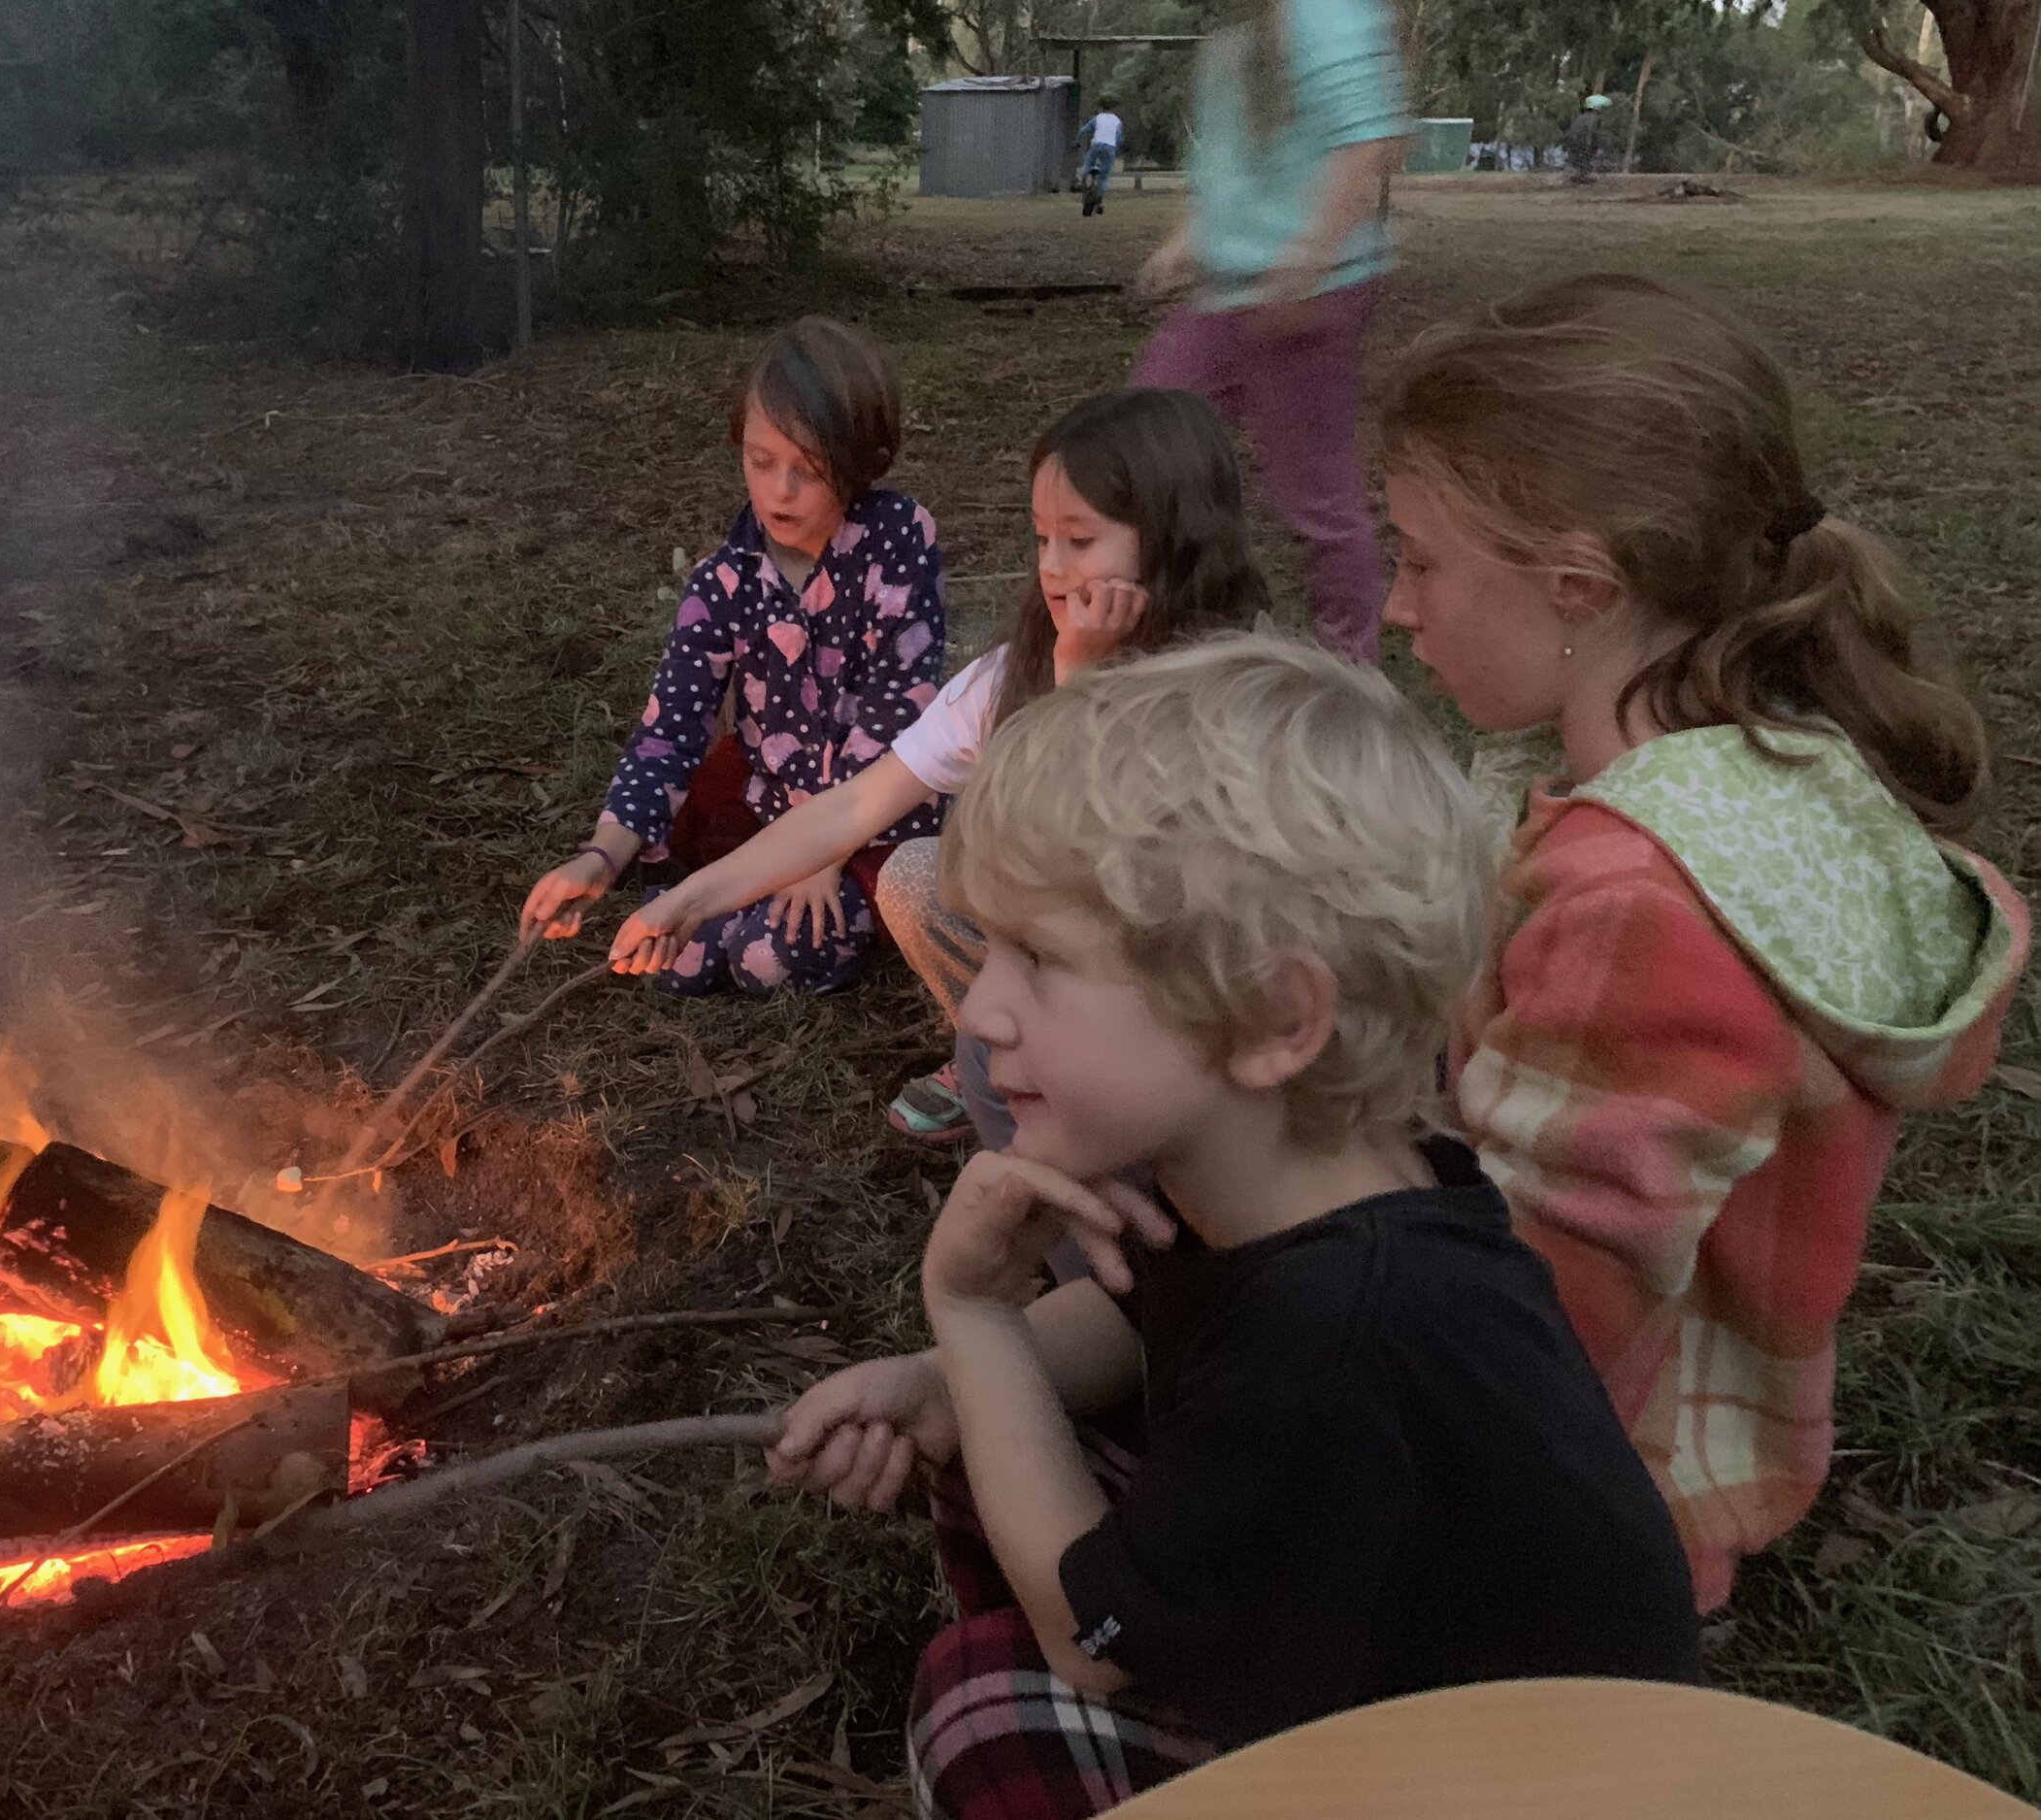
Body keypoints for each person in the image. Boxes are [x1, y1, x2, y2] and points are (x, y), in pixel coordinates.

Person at [768, 637, 1703, 1820]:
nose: (983, 1009)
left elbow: (1089, 1645)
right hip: (1375, 1645)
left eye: (1040, 960)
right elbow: (1136, 1317)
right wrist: (937, 1374)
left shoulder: (1339, 1336)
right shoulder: (1279, 1168)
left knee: (982, 1717)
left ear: (1272, 1015)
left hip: (1516, 1779)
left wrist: (970, 1314)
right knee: (989, 1427)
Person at [1378, 273, 2031, 1612]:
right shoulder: (1782, 780)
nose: (1397, 606)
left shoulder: (1641, 900)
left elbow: (1542, 1311)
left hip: (1563, 1520)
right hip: (1653, 1466)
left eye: (1420, 560)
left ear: (1576, 584)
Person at [606, 389, 1269, 1142]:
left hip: (1184, 980)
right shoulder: (1007, 678)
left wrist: (1081, 685)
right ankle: (1005, 1049)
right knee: (919, 874)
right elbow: (852, 808)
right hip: (1051, 965)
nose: (1051, 569)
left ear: (1172, 540)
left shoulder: (1240, 693)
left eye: (1079, 541)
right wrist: (692, 899)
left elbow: (1113, 870)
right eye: (1042, 538)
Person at [518, 315, 944, 997]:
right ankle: (740, 900)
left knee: (764, 956)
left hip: (875, 819)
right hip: (772, 806)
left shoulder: (897, 540)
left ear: (867, 460)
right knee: (679, 960)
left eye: (808, 469)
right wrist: (600, 857)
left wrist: (823, 851)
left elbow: (897, 709)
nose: (779, 491)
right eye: (760, 459)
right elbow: (670, 730)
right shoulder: (725, 581)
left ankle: (797, 914)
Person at [1133, 0, 1407, 665]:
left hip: (1309, 290)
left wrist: (1308, 260)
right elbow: (1220, 165)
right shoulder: (1231, 38)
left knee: (1316, 496)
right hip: (1226, 292)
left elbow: (1371, 140)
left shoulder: (1327, 14)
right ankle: (1167, 632)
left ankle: (1350, 668)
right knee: (1140, 443)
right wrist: (1185, 240)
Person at [1076, 96, 1125, 215]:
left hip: (1096, 146)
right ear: (1113, 108)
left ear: (1101, 108)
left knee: (1087, 166)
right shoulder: (1117, 121)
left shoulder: (1097, 118)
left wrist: (1077, 141)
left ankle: (1083, 181)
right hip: (1109, 148)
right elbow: (1119, 138)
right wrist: (1117, 147)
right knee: (1103, 177)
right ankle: (1100, 201)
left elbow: (1084, 130)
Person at [1563, 92, 1612, 184]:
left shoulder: (1581, 116)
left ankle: (1578, 174)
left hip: (1572, 140)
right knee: (1585, 157)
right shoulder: (1594, 117)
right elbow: (1590, 131)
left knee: (1579, 158)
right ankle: (1582, 176)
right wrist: (1589, 143)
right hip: (1581, 141)